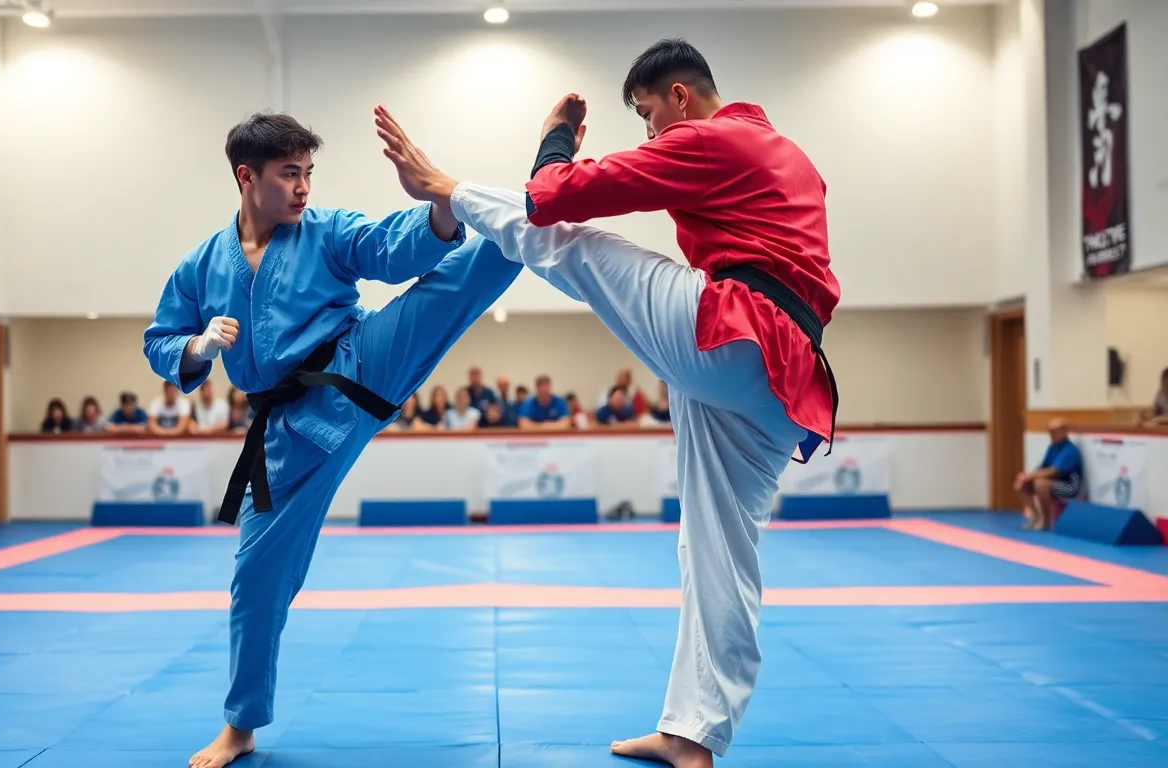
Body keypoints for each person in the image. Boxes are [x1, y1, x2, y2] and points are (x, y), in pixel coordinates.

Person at [374, 37, 837, 768]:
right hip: (788, 378)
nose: (651, 133)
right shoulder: (786, 153)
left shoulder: (710, 139)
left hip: (736, 332)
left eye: (649, 114)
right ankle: (694, 734)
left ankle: (444, 187)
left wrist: (543, 143)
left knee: (570, 244)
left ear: (679, 97)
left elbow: (549, 198)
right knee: (717, 549)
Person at [141, 111, 520, 768]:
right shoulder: (202, 265)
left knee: (464, 274)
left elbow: (391, 247)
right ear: (246, 176)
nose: (303, 187)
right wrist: (196, 347)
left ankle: (544, 189)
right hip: (287, 433)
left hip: (357, 364)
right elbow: (160, 341)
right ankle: (241, 724)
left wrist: (436, 205)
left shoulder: (325, 232)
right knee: (255, 578)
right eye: (290, 174)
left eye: (308, 172)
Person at [1015, 418, 1083, 531]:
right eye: (1050, 432)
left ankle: (1046, 521)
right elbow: (1043, 468)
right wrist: (1026, 477)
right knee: (1022, 483)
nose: (1051, 435)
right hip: (1053, 483)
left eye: (1054, 432)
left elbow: (1053, 471)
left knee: (1041, 484)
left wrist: (1030, 476)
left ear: (1064, 431)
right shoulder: (1052, 448)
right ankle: (1035, 516)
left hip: (1070, 487)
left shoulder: (1070, 450)